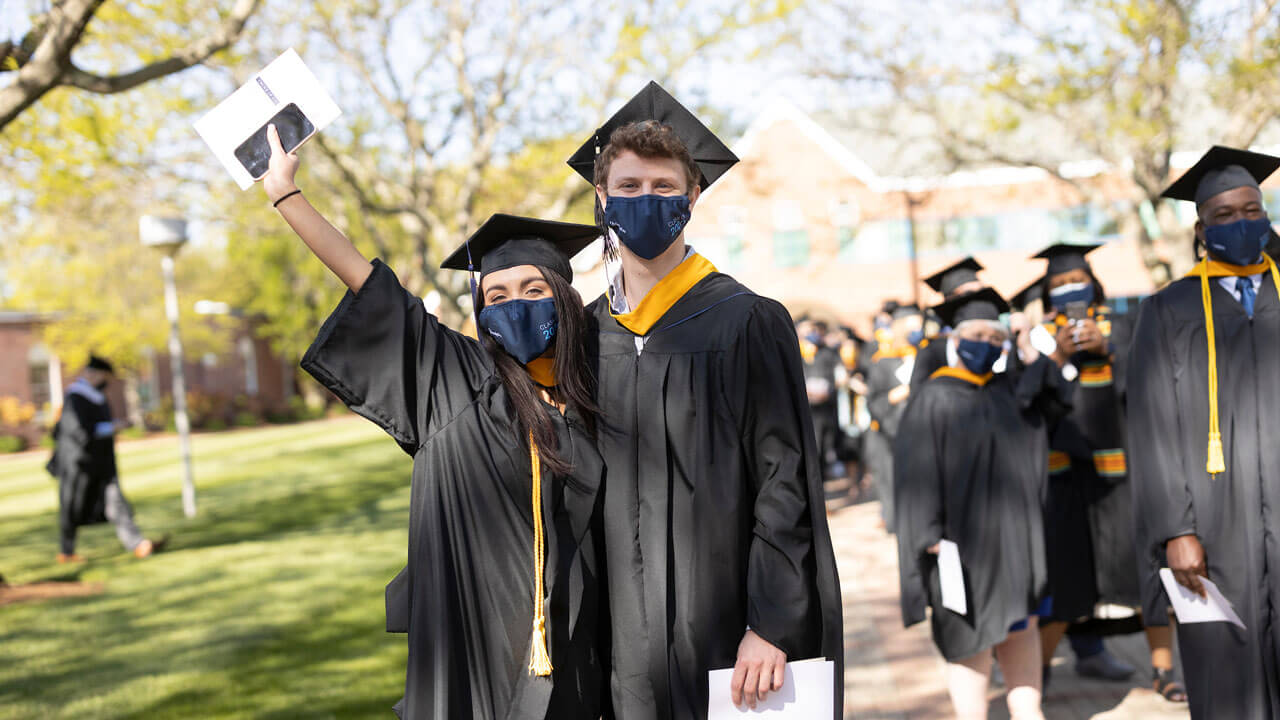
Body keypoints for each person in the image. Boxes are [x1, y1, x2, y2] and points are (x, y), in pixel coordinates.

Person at [264, 126, 607, 719]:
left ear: (564, 298)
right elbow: (368, 282)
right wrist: (285, 194)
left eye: (532, 289)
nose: (513, 305)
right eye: (495, 297)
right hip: (471, 642)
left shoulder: (597, 394)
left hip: (571, 647)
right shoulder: (452, 378)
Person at [566, 81, 843, 718]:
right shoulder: (586, 332)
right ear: (602, 200)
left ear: (693, 197)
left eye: (665, 188)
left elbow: (784, 479)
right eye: (629, 189)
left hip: (722, 619)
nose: (647, 201)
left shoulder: (745, 321)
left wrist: (771, 622)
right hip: (616, 630)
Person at [1129, 145, 1280, 719]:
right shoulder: (1168, 310)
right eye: (1224, 216)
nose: (1242, 224)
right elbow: (1151, 429)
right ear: (1201, 228)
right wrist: (1175, 529)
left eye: (1252, 211)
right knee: (1226, 671)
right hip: (1214, 523)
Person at [1027, 244, 1183, 699]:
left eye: (1075, 279)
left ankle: (1163, 670)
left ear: (1094, 282)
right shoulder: (1038, 336)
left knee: (1149, 572)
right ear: (1047, 292)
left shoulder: (1126, 326)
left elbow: (1153, 384)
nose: (1068, 288)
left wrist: (1109, 350)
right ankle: (1036, 676)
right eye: (1058, 284)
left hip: (1126, 474)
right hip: (1067, 477)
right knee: (1066, 579)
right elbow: (1030, 405)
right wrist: (1056, 359)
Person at [894, 288, 1055, 720]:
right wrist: (926, 533)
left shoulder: (1010, 395)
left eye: (995, 336)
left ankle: (1029, 711)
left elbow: (1055, 406)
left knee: (1022, 623)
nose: (986, 343)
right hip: (961, 543)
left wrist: (1025, 347)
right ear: (955, 338)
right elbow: (914, 473)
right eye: (977, 333)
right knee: (970, 633)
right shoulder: (934, 397)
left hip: (1017, 539)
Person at [47, 356, 159, 562]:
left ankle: (138, 543)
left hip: (102, 462)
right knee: (72, 505)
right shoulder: (75, 398)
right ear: (93, 374)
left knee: (116, 501)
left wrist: (113, 426)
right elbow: (76, 431)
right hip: (78, 463)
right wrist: (110, 428)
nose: (105, 380)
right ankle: (67, 551)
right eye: (103, 376)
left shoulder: (97, 396)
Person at [865, 304, 923, 532]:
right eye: (913, 326)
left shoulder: (925, 355)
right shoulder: (884, 360)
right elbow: (873, 401)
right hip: (890, 432)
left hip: (920, 429)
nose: (917, 331)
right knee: (891, 480)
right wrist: (895, 396)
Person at [910, 257, 987, 390]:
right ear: (950, 299)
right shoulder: (933, 350)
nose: (978, 298)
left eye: (982, 291)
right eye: (969, 293)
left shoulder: (998, 341)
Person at [798, 319, 844, 480]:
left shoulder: (827, 354)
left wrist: (828, 391)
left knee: (824, 447)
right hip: (805, 410)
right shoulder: (795, 353)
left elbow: (837, 378)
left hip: (825, 408)